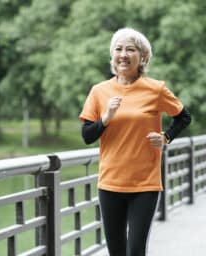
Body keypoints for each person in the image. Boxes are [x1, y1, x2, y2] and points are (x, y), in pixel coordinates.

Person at [79, 27, 191, 256]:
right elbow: (87, 135)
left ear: (143, 57)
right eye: (118, 49)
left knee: (136, 251)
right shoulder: (99, 91)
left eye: (130, 49)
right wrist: (106, 118)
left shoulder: (156, 89)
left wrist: (165, 137)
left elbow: (183, 117)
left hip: (145, 184)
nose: (123, 54)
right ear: (112, 56)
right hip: (110, 183)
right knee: (117, 252)